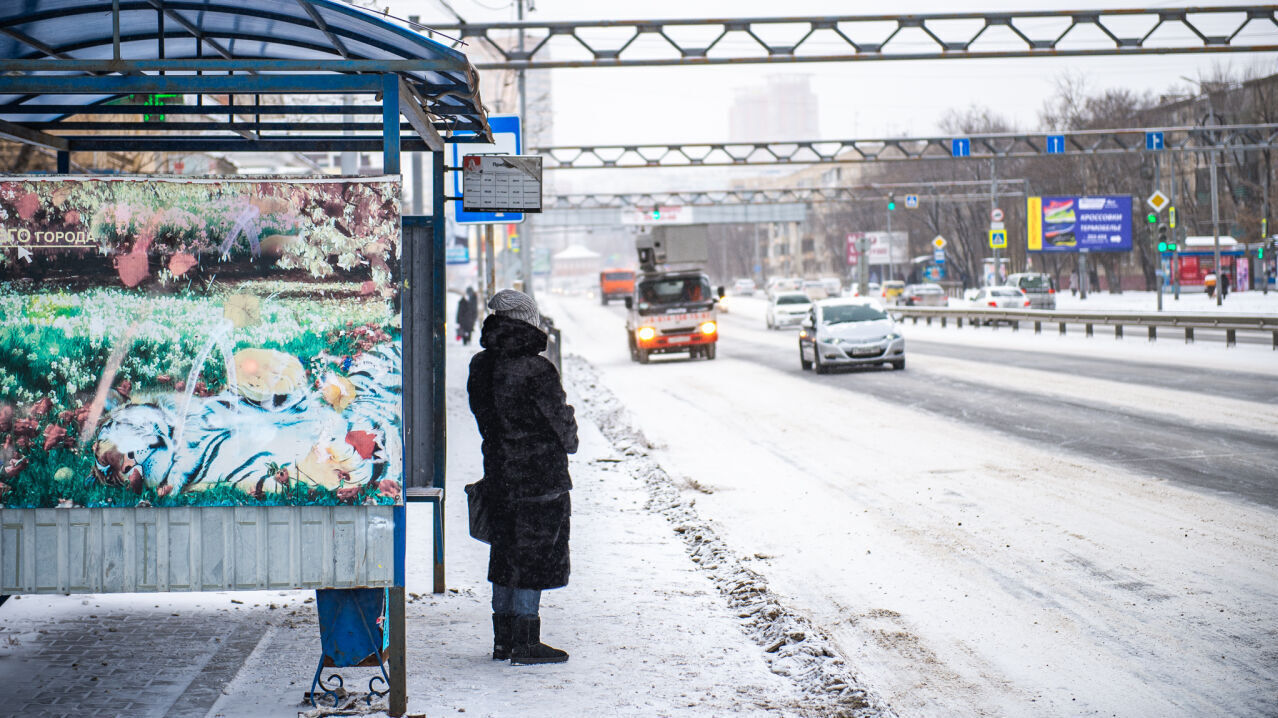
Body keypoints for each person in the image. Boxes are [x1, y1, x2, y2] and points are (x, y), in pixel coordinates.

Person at [467, 289, 578, 665]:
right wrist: (569, 432)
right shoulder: (537, 369)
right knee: (533, 556)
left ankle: (502, 641)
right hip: (539, 477)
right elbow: (562, 427)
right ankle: (526, 641)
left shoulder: (480, 365)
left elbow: (484, 417)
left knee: (505, 552)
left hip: (498, 472)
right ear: (527, 320)